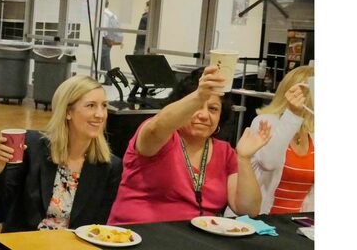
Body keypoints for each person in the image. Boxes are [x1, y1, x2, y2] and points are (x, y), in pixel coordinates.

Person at [107, 66, 272, 225]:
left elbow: (249, 210)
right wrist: (199, 95)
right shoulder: (160, 137)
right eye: (197, 107)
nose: (204, 115)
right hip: (138, 235)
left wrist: (244, 158)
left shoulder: (225, 152)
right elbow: (157, 127)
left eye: (213, 109)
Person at [0, 75, 122, 232]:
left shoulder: (110, 166)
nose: (100, 114)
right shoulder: (32, 146)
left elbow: (96, 228)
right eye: (91, 106)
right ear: (67, 112)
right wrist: (0, 165)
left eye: (104, 105)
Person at [250, 66, 314, 215]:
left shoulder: (313, 133)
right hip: (262, 220)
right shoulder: (264, 122)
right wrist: (293, 115)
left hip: (297, 225)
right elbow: (269, 163)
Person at [100, 0, 122, 84]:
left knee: (105, 60)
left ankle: (109, 80)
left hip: (105, 40)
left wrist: (104, 39)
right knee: (104, 59)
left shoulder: (104, 14)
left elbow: (104, 29)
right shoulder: (112, 14)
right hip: (110, 40)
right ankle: (107, 79)